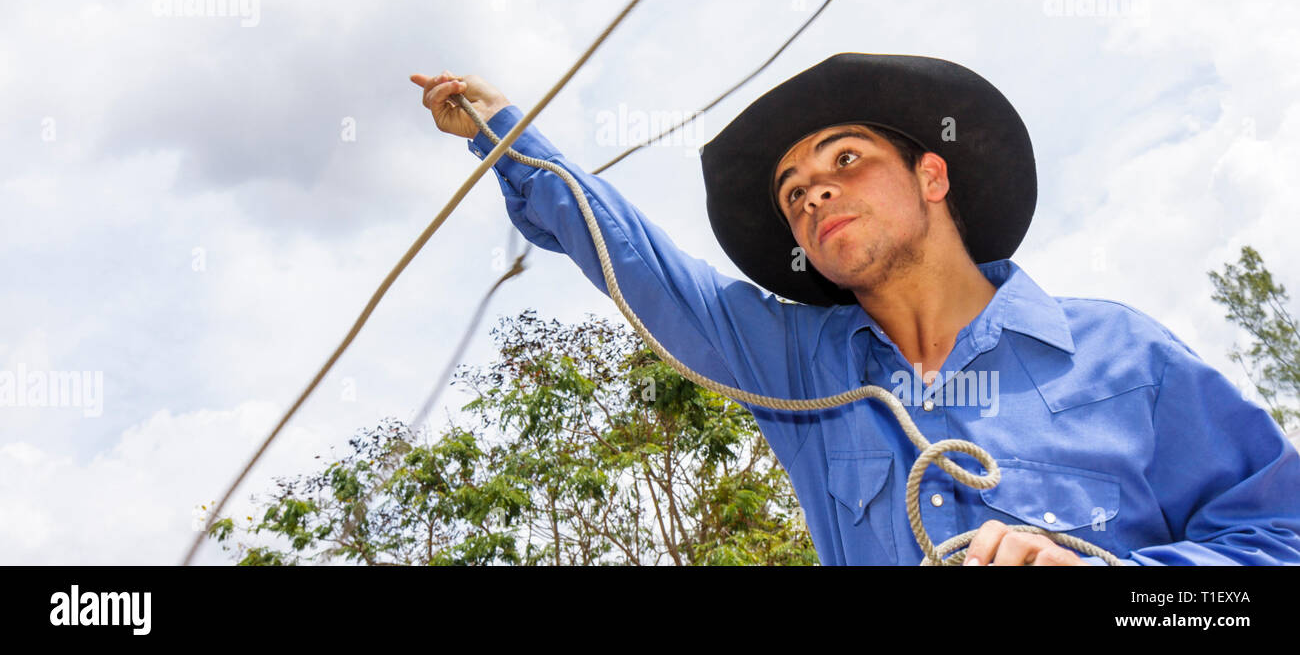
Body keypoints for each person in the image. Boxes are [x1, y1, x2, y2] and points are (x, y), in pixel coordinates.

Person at [410, 53, 1300, 565]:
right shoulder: (797, 370)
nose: (813, 195)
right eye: (794, 191)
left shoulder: (1123, 356)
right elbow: (643, 265)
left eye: (844, 161)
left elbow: (1276, 541)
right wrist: (505, 133)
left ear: (932, 174)